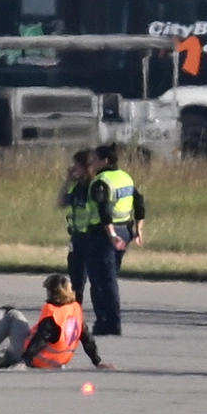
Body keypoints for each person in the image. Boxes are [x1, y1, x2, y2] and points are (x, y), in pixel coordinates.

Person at [0, 274, 115, 371]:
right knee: (15, 346)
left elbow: (41, 339)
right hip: (58, 361)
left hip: (38, 360)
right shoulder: (75, 310)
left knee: (13, 315)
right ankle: (6, 356)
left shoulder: (53, 313)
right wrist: (97, 361)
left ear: (51, 291)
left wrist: (24, 361)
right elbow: (87, 338)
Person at [85, 144, 147, 336]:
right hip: (125, 230)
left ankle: (109, 322)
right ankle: (108, 321)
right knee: (109, 276)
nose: (92, 162)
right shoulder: (125, 177)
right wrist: (139, 229)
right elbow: (139, 202)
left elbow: (104, 210)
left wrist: (111, 235)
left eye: (95, 159)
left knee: (102, 280)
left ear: (105, 161)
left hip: (104, 234)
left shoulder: (101, 181)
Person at [58, 150, 96, 305]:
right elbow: (61, 202)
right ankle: (76, 311)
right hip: (77, 237)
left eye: (76, 165)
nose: (73, 168)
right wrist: (68, 180)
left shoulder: (95, 186)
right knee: (76, 281)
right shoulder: (76, 186)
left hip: (92, 237)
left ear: (86, 167)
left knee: (96, 280)